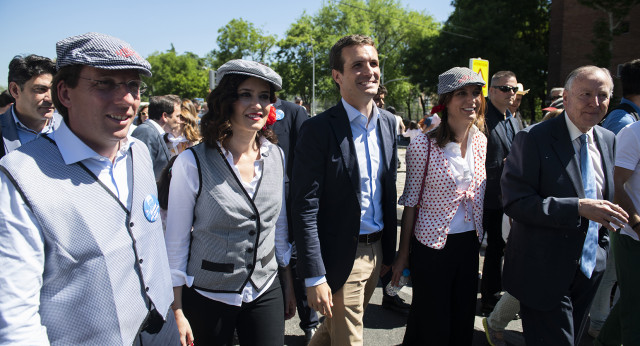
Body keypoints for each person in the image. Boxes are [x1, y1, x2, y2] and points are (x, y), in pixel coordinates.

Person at [0, 32, 178, 345]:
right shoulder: (19, 177)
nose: (126, 99)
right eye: (105, 84)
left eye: (133, 86)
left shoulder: (137, 151)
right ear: (65, 94)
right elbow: (15, 315)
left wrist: (176, 311)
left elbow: (152, 247)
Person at [165, 59, 295, 346]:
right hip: (208, 294)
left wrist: (288, 283)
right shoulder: (192, 162)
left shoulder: (276, 156)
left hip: (265, 288)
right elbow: (175, 242)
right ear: (226, 102)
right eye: (245, 94)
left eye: (264, 97)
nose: (257, 104)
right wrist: (176, 309)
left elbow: (279, 225)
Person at [501, 65, 628, 345]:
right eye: (586, 94)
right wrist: (576, 207)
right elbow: (516, 202)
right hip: (543, 272)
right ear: (567, 98)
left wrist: (603, 249)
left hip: (589, 270)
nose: (595, 103)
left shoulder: (608, 139)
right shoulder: (533, 139)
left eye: (603, 95)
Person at [291, 34, 398, 346]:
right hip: (340, 258)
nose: (369, 70)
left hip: (377, 253)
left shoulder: (389, 123)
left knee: (330, 332)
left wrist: (388, 254)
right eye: (358, 65)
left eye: (374, 63)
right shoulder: (318, 129)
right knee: (349, 340)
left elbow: (387, 192)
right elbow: (304, 207)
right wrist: (314, 275)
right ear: (338, 76)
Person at [392, 67, 487, 345]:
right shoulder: (423, 144)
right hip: (431, 248)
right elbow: (411, 202)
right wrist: (402, 255)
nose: (471, 100)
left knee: (462, 320)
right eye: (462, 94)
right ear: (446, 100)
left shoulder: (481, 141)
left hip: (469, 244)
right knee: (431, 324)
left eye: (475, 93)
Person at [588, 58, 640, 339]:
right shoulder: (626, 123)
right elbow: (612, 177)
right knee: (613, 283)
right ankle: (595, 326)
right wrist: (632, 221)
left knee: (625, 296)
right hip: (622, 226)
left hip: (620, 223)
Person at [271, 97, 317, 342]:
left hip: (289, 199)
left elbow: (305, 155)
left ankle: (310, 323)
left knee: (296, 260)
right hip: (254, 197)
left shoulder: (292, 111)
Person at [595, 120, 640, 346]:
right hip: (632, 236)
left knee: (632, 301)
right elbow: (615, 184)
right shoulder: (633, 133)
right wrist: (637, 224)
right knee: (636, 308)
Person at [480, 70, 521, 314]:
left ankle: (491, 297)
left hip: (504, 197)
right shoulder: (481, 118)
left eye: (514, 89)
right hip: (481, 197)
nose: (511, 93)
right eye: (505, 88)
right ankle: (486, 298)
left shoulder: (512, 119)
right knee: (476, 249)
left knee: (498, 249)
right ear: (492, 90)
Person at [1, 54, 60, 157]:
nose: (50, 98)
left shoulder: (75, 128)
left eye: (54, 89)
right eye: (41, 89)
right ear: (15, 90)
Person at [132, 94, 182, 180]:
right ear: (165, 116)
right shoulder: (147, 132)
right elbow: (140, 173)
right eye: (177, 116)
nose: (179, 121)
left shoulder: (153, 132)